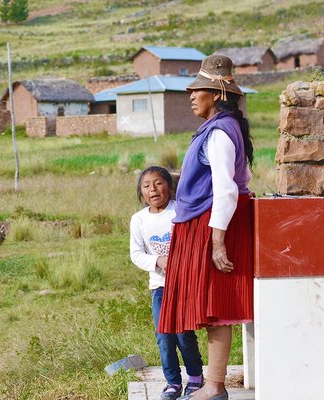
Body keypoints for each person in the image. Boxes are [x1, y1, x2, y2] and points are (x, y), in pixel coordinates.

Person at [158, 55, 255, 400]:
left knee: (217, 309)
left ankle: (214, 386)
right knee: (214, 308)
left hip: (211, 228)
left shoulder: (219, 133)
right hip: (203, 224)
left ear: (215, 94)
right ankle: (212, 385)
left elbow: (227, 189)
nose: (190, 95)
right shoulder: (221, 129)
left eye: (196, 89)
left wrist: (217, 242)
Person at [130, 166, 204, 400]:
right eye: (146, 185)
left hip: (185, 286)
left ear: (170, 188)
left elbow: (194, 240)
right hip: (160, 288)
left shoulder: (179, 211)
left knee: (183, 334)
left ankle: (195, 378)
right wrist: (158, 261)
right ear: (142, 193)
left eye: (158, 183)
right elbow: (136, 253)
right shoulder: (139, 220)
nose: (153, 189)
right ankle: (172, 382)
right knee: (164, 336)